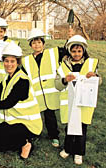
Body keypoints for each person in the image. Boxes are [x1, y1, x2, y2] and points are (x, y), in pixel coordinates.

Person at [0, 42, 43, 159]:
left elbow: (9, 102)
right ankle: (17, 142)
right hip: (14, 121)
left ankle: (26, 144)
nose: (9, 64)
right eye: (6, 61)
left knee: (5, 137)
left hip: (28, 124)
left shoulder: (22, 80)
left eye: (12, 61)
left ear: (18, 62)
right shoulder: (8, 78)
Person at [21, 28, 73, 147]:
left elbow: (67, 50)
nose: (37, 45)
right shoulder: (26, 60)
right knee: (35, 116)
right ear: (30, 45)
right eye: (34, 43)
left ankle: (54, 136)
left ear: (43, 43)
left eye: (39, 42)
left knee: (50, 116)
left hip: (50, 93)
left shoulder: (53, 53)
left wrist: (69, 38)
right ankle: (35, 133)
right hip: (36, 94)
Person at [55, 35, 101, 165]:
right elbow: (57, 84)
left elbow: (99, 81)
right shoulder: (63, 66)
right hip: (69, 103)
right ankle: (68, 148)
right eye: (73, 51)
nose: (76, 54)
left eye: (79, 51)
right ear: (69, 51)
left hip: (84, 103)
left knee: (81, 129)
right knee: (70, 128)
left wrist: (94, 77)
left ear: (83, 51)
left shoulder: (90, 64)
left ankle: (79, 152)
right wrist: (64, 80)